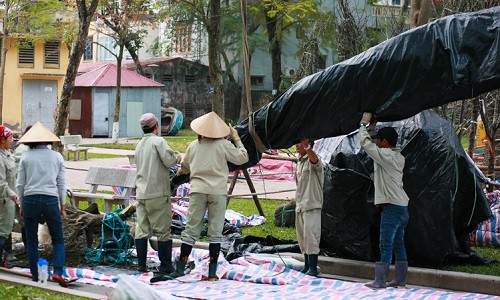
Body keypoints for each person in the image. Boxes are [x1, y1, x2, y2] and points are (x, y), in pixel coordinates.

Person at [172, 112, 248, 281]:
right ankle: (212, 273)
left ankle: (180, 268)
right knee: (216, 232)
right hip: (218, 191)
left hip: (198, 190)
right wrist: (236, 139)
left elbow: (184, 168)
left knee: (191, 229)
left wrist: (175, 179)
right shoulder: (223, 145)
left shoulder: (193, 145)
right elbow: (243, 157)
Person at [358, 112, 410, 289]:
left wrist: (363, 125)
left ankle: (380, 280)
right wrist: (373, 129)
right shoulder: (397, 156)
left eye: (379, 141)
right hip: (402, 208)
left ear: (385, 143)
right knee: (398, 243)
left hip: (392, 208)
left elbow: (366, 144)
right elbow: (373, 144)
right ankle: (400, 279)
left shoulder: (385, 156)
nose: (377, 143)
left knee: (385, 243)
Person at [16, 122, 69, 287]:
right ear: (48, 141)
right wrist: (62, 206)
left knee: (32, 240)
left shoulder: (26, 157)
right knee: (58, 239)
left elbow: (20, 185)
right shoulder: (57, 157)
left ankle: (34, 274)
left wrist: (22, 206)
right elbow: (61, 184)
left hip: (30, 199)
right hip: (51, 199)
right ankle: (58, 272)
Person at [134, 113, 181, 274]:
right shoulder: (158, 141)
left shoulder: (139, 144)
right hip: (158, 193)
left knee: (142, 229)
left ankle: (141, 266)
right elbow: (170, 161)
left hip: (141, 193)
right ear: (156, 126)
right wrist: (179, 156)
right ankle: (166, 265)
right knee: (163, 231)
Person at [295, 139, 324, 276]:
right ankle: (307, 266)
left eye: (300, 143)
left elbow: (315, 162)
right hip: (301, 205)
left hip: (311, 204)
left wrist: (308, 149)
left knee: (311, 237)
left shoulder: (313, 159)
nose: (297, 145)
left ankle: (313, 268)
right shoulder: (299, 162)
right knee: (303, 238)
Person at [0, 125, 18, 267]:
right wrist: (12, 196)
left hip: (9, 200)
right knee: (2, 231)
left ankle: (4, 258)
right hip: (4, 200)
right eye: (10, 137)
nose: (13, 140)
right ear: (2, 140)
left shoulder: (7, 154)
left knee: (6, 229)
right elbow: (1, 183)